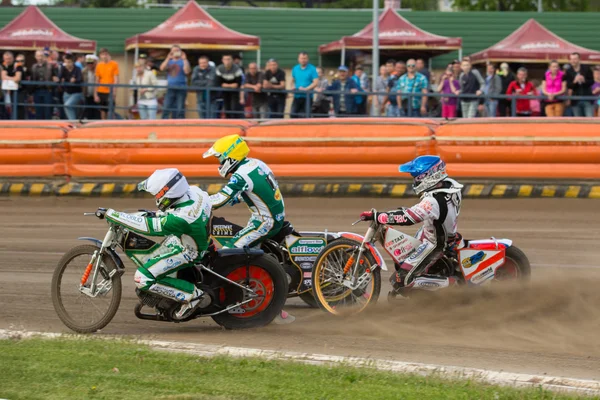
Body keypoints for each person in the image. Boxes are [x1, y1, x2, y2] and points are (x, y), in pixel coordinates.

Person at [203, 134, 294, 324]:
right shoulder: (255, 164)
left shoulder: (240, 175)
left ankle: (256, 300)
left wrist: (197, 203)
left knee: (228, 253)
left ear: (230, 157)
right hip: (274, 217)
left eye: (220, 159)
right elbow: (250, 193)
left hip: (264, 222)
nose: (219, 164)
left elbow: (220, 199)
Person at [99, 168, 211, 320]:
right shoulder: (194, 191)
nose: (156, 198)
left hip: (188, 250)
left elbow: (147, 227)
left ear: (167, 194)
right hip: (190, 237)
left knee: (142, 278)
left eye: (157, 195)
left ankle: (192, 296)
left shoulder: (182, 218)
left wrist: (113, 214)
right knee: (151, 254)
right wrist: (157, 214)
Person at [359, 155, 463, 294]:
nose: (414, 180)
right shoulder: (450, 186)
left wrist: (378, 216)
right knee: (401, 258)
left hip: (435, 244)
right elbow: (420, 212)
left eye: (416, 177)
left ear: (428, 176)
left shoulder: (434, 201)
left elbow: (409, 218)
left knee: (401, 280)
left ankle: (454, 284)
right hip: (432, 233)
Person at [160, 45, 191, 119]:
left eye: (177, 50)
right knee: (166, 107)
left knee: (180, 108)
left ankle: (180, 124)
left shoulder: (183, 61)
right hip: (170, 87)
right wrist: (168, 58)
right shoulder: (169, 61)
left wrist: (185, 59)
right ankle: (163, 123)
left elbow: (187, 71)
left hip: (181, 87)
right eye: (174, 50)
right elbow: (162, 68)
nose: (176, 52)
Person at [31, 50, 58, 120]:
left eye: (41, 56)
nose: (40, 58)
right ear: (35, 57)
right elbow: (31, 78)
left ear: (44, 57)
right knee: (38, 111)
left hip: (47, 90)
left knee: (48, 111)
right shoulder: (33, 67)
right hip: (36, 91)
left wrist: (56, 79)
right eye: (38, 56)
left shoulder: (50, 66)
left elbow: (56, 76)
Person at [290, 52, 318, 118]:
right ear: (298, 59)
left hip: (307, 97)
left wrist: (306, 89)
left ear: (308, 59)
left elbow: (315, 82)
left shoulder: (312, 69)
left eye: (305, 58)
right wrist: (292, 87)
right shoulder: (295, 68)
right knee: (292, 114)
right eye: (301, 58)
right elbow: (292, 80)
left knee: (305, 116)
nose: (303, 60)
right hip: (297, 96)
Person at [566, 52, 594, 117]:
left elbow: (592, 82)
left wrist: (584, 80)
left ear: (579, 59)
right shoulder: (568, 71)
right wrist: (575, 81)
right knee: (578, 123)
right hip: (575, 100)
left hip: (587, 99)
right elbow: (569, 86)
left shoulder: (586, 68)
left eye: (575, 59)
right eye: (571, 59)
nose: (573, 61)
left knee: (590, 121)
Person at [94, 48, 119, 120]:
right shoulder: (99, 65)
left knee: (110, 111)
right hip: (101, 90)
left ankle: (111, 126)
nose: (104, 56)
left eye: (105, 54)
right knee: (102, 111)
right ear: (100, 56)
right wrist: (95, 94)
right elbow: (97, 80)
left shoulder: (114, 64)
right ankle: (103, 127)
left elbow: (116, 79)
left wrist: (114, 91)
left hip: (110, 91)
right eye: (102, 55)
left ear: (108, 55)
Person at [215, 54, 244, 119]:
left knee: (234, 108)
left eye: (228, 59)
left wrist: (225, 85)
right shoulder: (219, 68)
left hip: (235, 92)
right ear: (222, 60)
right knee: (227, 108)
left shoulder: (237, 68)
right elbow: (218, 82)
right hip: (225, 92)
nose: (227, 61)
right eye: (225, 59)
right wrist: (231, 85)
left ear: (232, 60)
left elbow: (238, 83)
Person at [1, 51, 25, 119]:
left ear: (13, 58)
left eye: (9, 58)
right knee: (11, 107)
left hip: (20, 90)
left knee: (20, 107)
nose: (7, 60)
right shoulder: (5, 65)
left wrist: (8, 78)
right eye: (6, 59)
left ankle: (21, 123)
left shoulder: (18, 65)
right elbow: (3, 77)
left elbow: (18, 78)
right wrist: (13, 78)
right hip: (11, 90)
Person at [60, 54, 83, 121]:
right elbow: (59, 77)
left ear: (73, 62)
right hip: (66, 92)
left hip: (76, 93)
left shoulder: (77, 69)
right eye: (66, 62)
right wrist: (57, 79)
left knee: (67, 105)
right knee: (70, 108)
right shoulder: (63, 68)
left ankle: (73, 123)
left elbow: (80, 79)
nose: (67, 64)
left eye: (69, 62)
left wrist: (75, 80)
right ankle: (74, 124)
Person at [82, 54, 99, 120]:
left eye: (91, 63)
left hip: (97, 95)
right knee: (88, 112)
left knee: (97, 112)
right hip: (87, 94)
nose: (89, 64)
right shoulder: (84, 71)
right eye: (88, 63)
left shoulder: (98, 70)